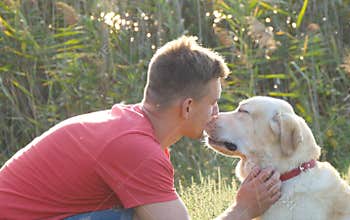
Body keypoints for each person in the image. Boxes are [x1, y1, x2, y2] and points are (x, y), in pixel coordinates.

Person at [0, 36, 281, 219]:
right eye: (214, 104)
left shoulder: (132, 130)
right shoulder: (135, 148)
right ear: (187, 107)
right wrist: (243, 208)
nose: (216, 114)